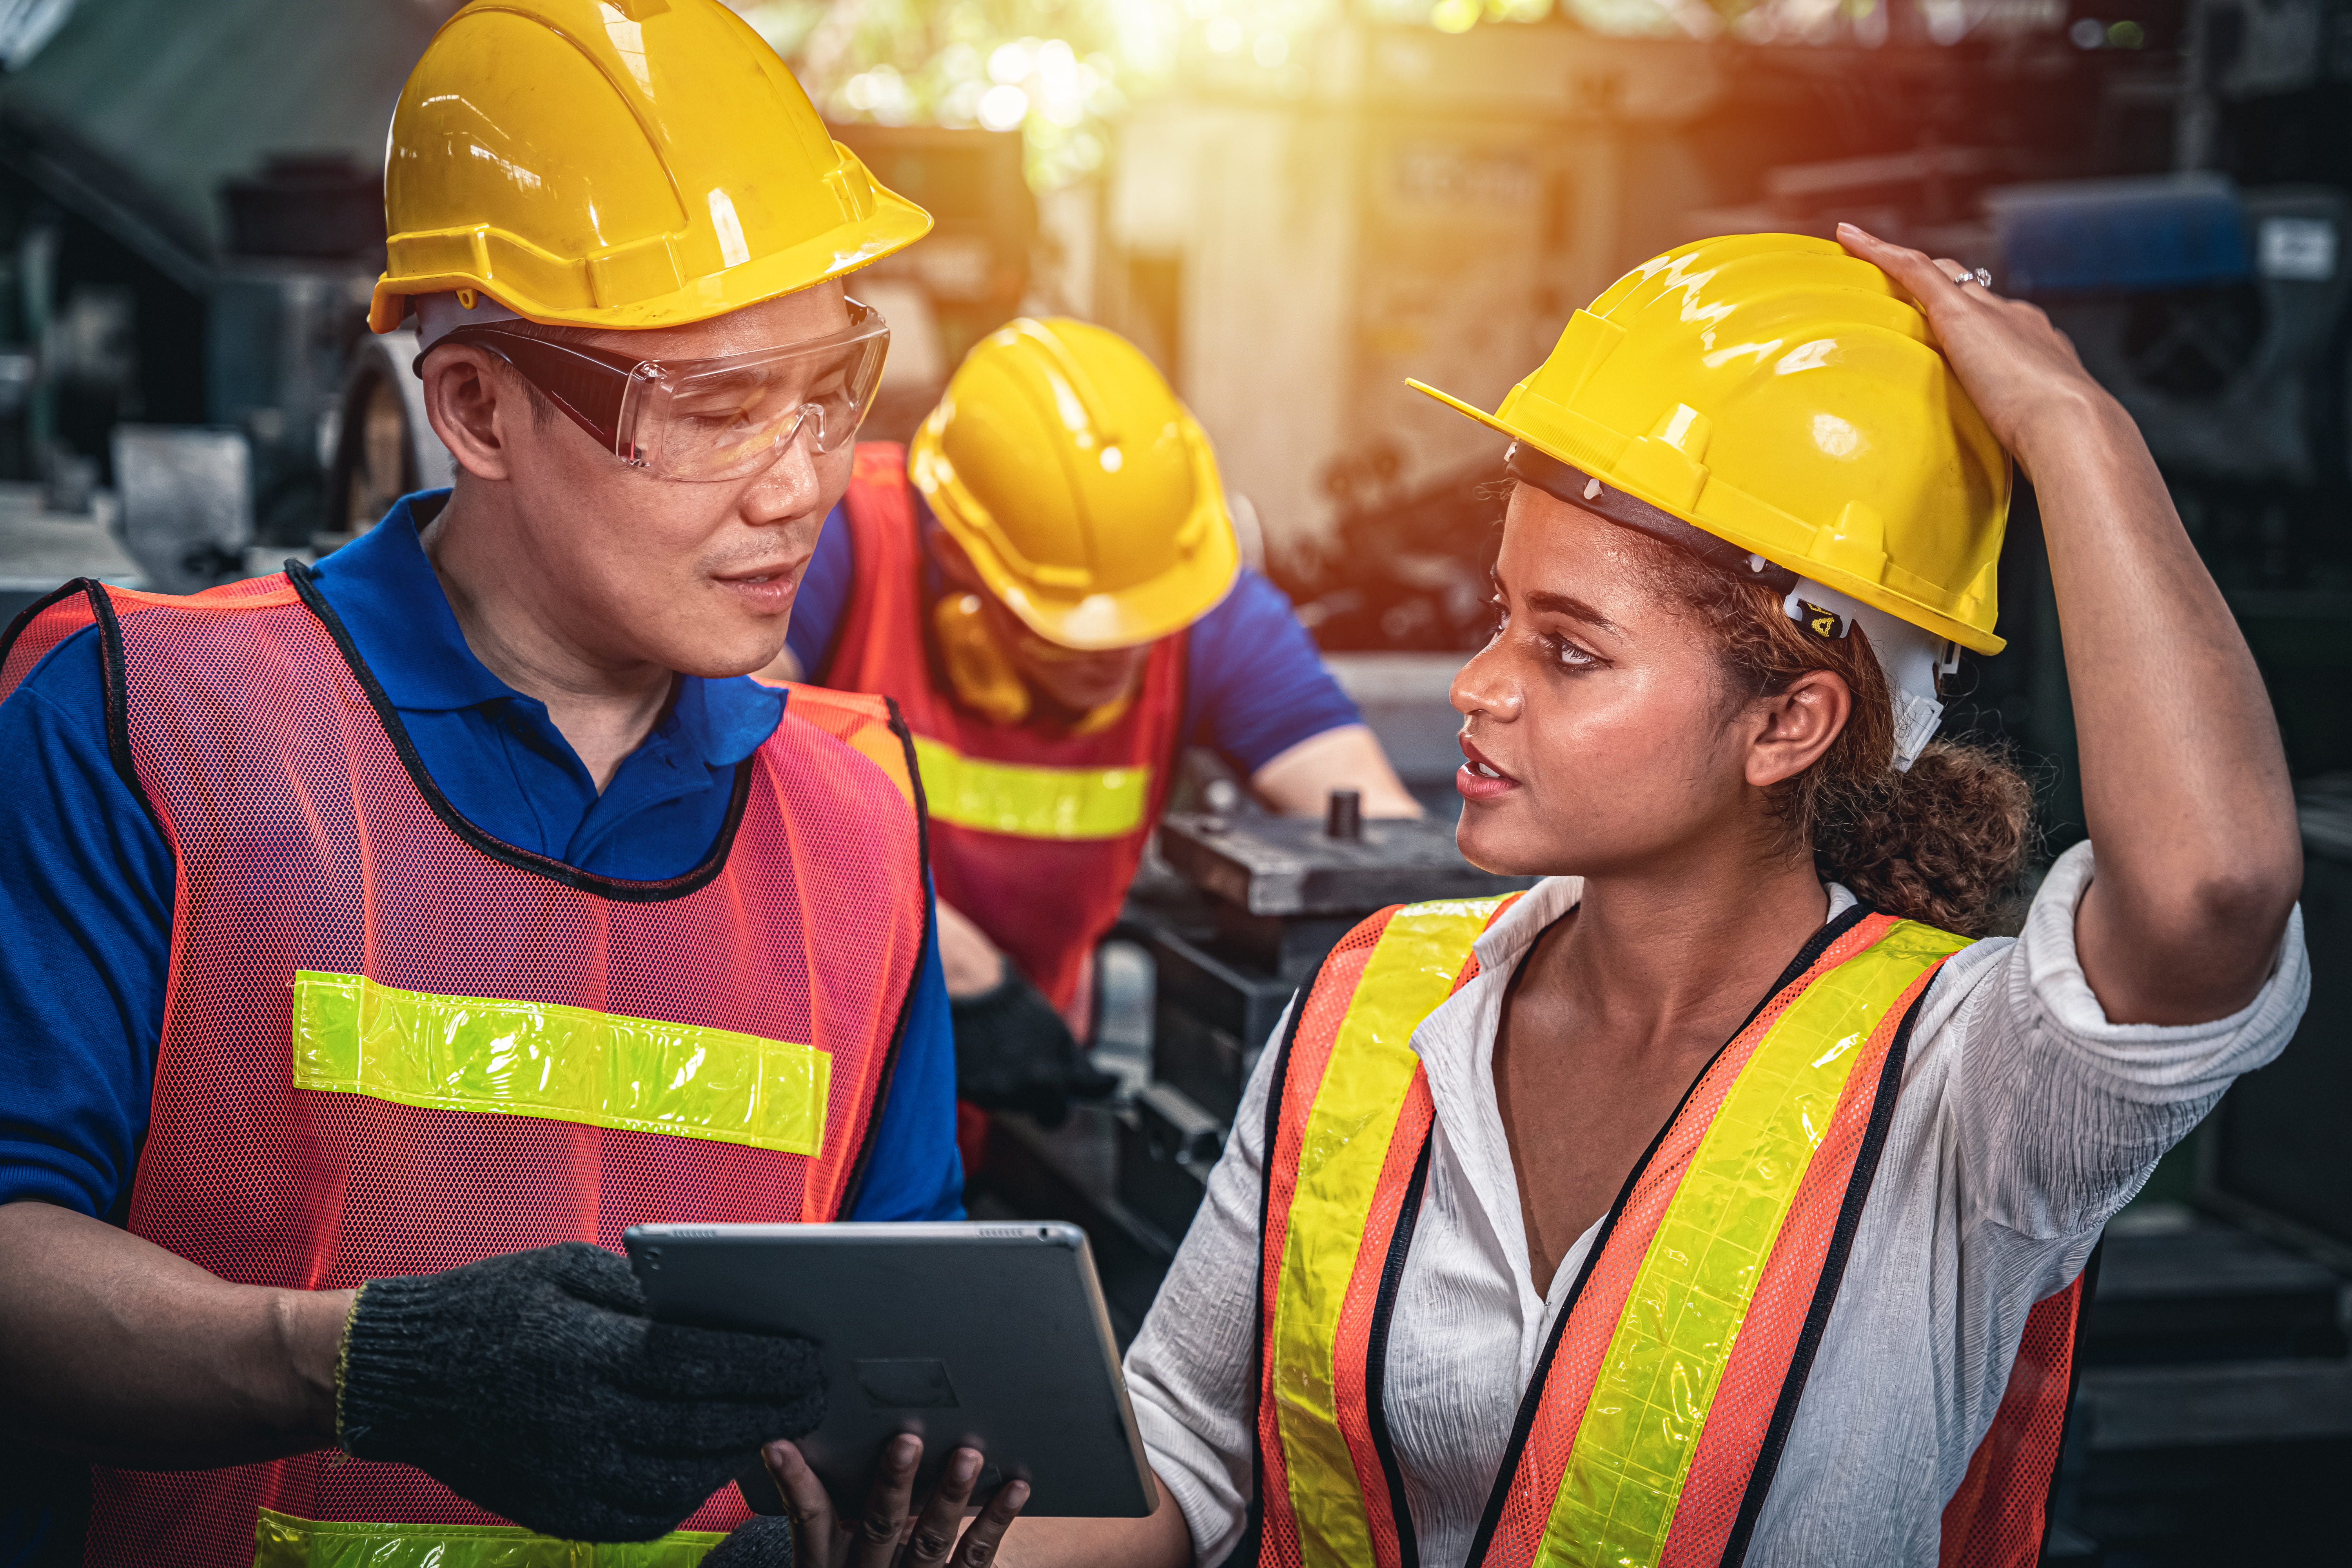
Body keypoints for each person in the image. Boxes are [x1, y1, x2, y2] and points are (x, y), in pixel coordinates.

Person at [900, 229, 2308, 1566]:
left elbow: (2215, 888)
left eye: (1569, 653)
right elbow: (1191, 1454)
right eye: (1499, 616)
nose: (1477, 686)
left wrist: (2075, 428)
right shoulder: (1376, 1000)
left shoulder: (1959, 1087)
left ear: (1789, 727)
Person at [0, 4, 1020, 1564]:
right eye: (712, 408)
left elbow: (892, 1343)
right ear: (474, 407)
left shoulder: (855, 818)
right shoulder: (148, 719)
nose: (800, 478)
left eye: (827, 388)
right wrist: (362, 1365)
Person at [772, 317, 1421, 1127]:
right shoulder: (844, 541)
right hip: (805, 1077)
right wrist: (964, 973)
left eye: (1145, 622)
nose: (1121, 655)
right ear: (955, 555)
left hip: (1019, 1087)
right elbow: (728, 762)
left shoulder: (1197, 601)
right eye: (1070, 626)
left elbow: (1384, 836)